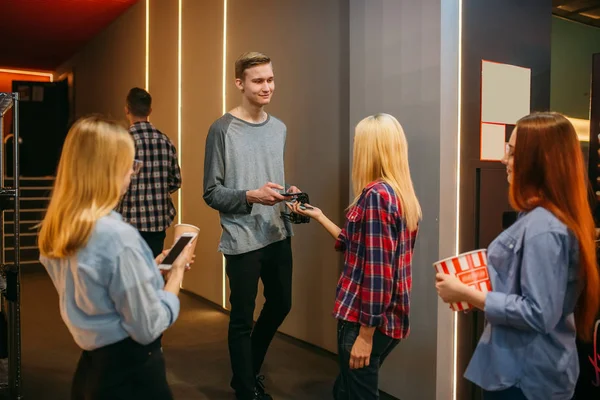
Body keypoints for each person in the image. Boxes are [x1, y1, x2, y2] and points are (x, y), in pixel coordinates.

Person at [435, 112, 600, 400]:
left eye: (511, 151)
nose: (503, 160)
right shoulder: (541, 220)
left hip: (526, 379)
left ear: (537, 161)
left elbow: (539, 313)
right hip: (527, 371)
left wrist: (469, 294)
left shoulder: (543, 229)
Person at [38, 115, 194, 399]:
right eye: (130, 164)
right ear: (109, 169)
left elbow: (96, 289)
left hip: (91, 369)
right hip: (132, 374)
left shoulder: (61, 228)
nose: (132, 173)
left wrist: (146, 269)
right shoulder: (118, 237)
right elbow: (148, 327)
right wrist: (178, 271)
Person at [288, 113, 421, 400]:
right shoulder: (398, 193)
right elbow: (359, 246)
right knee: (346, 389)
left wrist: (365, 335)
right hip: (387, 318)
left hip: (364, 318)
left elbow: (378, 272)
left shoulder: (376, 196)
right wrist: (320, 216)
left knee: (355, 393)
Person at [203, 51, 300, 400]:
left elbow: (271, 178)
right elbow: (211, 192)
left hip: (277, 233)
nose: (267, 87)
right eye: (258, 80)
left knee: (281, 304)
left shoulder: (280, 128)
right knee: (242, 319)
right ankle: (245, 390)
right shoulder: (222, 129)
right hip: (242, 238)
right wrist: (251, 196)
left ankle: (247, 370)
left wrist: (288, 197)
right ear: (239, 83)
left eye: (270, 79)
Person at [116, 87, 182, 257]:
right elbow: (176, 181)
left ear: (127, 110)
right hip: (158, 221)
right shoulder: (165, 141)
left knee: (130, 273)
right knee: (153, 270)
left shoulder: (123, 142)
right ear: (149, 111)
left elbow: (113, 183)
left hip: (128, 221)